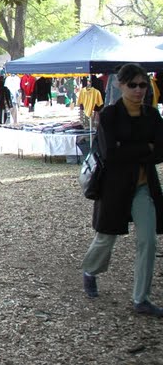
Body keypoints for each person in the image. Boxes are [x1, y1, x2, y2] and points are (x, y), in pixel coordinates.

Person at [81, 63, 163, 316]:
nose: (139, 90)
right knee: (107, 236)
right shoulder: (109, 115)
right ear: (120, 85)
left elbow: (160, 151)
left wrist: (132, 148)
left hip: (143, 186)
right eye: (133, 85)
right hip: (115, 187)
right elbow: (110, 154)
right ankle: (90, 271)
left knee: (148, 240)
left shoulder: (152, 115)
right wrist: (144, 148)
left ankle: (141, 298)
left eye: (142, 85)